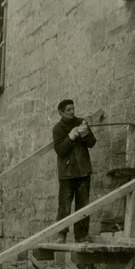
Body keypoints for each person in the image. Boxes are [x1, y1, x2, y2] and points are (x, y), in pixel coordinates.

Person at [51, 99, 97, 243]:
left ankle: (81, 236)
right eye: (68, 110)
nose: (72, 112)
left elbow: (92, 143)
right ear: (61, 113)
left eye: (73, 109)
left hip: (83, 171)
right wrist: (70, 137)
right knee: (64, 205)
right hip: (67, 173)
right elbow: (60, 151)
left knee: (83, 204)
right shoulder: (57, 129)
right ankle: (62, 234)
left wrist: (86, 134)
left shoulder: (81, 122)